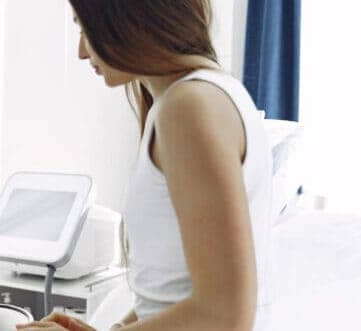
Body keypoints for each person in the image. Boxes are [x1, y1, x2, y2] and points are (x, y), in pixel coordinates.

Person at [17, 1, 273, 330]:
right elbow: (169, 297)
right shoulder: (190, 100)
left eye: (85, 29)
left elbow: (224, 314)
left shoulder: (189, 107)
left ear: (128, 15)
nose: (82, 51)